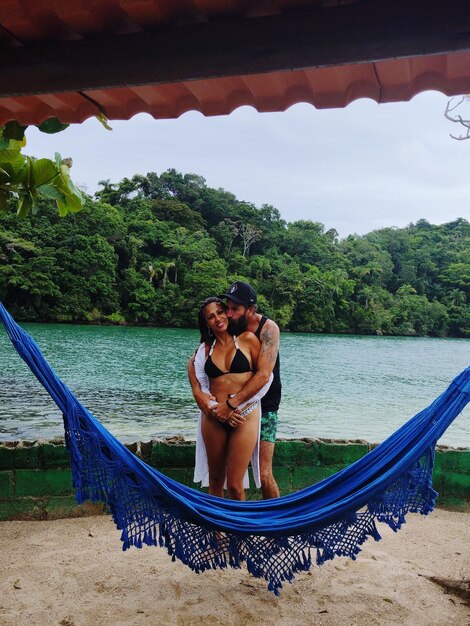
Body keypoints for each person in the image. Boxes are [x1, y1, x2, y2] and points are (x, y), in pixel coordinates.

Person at [189, 281, 281, 499]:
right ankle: (221, 527)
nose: (226, 315)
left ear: (250, 310)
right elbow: (194, 364)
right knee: (216, 480)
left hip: (260, 405)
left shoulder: (265, 330)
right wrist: (199, 394)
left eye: (231, 310)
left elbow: (264, 376)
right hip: (219, 413)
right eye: (226, 308)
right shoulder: (210, 345)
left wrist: (233, 406)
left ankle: (277, 525)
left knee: (263, 474)